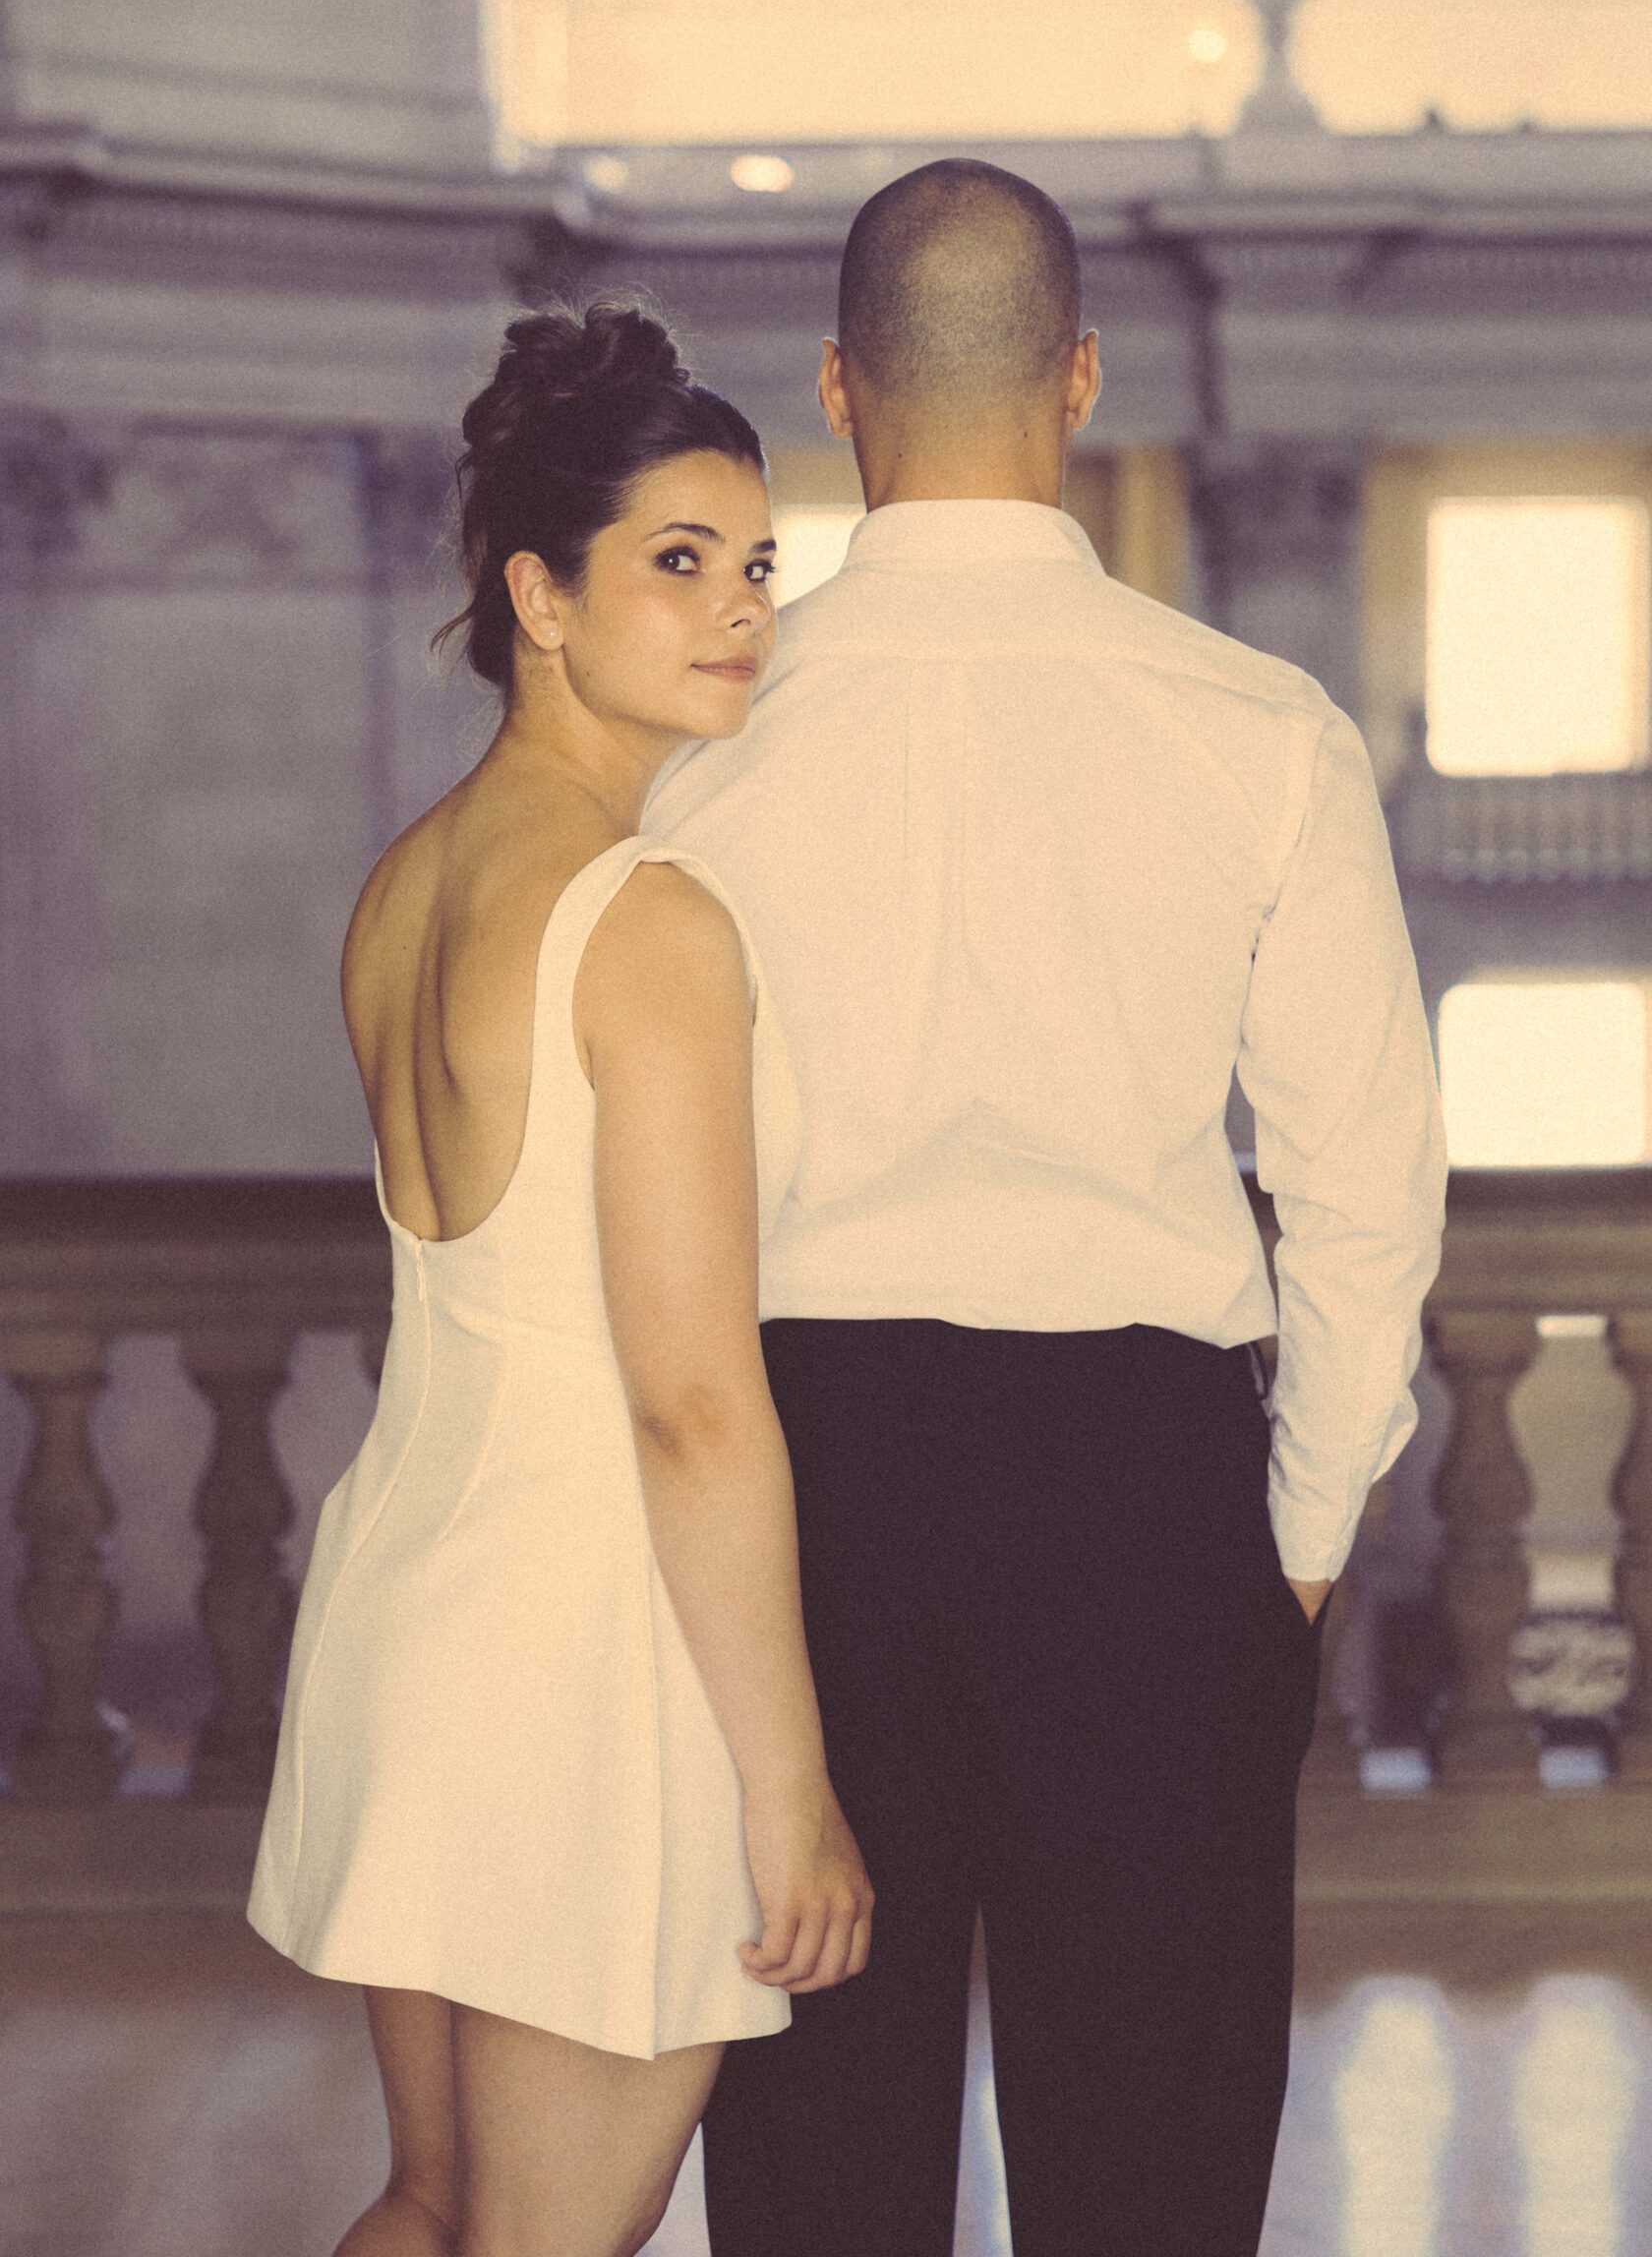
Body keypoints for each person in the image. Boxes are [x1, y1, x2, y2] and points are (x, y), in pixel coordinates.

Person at [644, 158, 1450, 2257]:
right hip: (1148, 1495)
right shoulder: (1262, 731)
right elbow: (1362, 1191)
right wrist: (1287, 1541)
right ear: (1079, 379)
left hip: (798, 1493)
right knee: (1154, 2183)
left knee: (819, 2170)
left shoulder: (696, 748)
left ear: (839, 390)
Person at [247, 300, 872, 2257]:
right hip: (585, 1653)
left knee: (431, 2211)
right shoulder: (651, 920)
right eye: (674, 566)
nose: (740, 609)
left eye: (760, 564)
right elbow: (689, 1403)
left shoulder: (410, 878)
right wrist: (792, 1791)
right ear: (539, 593)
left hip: (409, 1600)